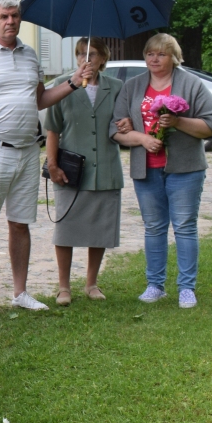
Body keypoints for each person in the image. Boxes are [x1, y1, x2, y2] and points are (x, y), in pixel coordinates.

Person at [0, 0, 92, 317]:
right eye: (4, 16)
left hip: (27, 151)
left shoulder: (30, 56)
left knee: (20, 223)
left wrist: (73, 81)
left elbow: (40, 99)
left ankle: (20, 291)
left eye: (15, 15)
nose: (10, 21)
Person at [111, 33, 212, 308]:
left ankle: (186, 288)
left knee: (183, 226)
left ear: (174, 57)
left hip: (185, 168)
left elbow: (210, 126)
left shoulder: (192, 84)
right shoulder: (133, 87)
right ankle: (155, 285)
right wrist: (141, 138)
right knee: (154, 227)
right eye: (150, 54)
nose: (154, 59)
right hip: (146, 169)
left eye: (161, 54)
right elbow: (116, 130)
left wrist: (178, 122)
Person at [43, 37, 125, 305]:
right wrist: (52, 166)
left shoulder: (116, 87)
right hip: (71, 170)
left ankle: (92, 283)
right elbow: (52, 129)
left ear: (103, 57)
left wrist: (126, 125)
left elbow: (122, 123)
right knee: (66, 229)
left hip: (105, 169)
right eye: (80, 54)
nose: (84, 59)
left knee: (99, 228)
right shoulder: (62, 85)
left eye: (91, 54)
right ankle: (63, 287)